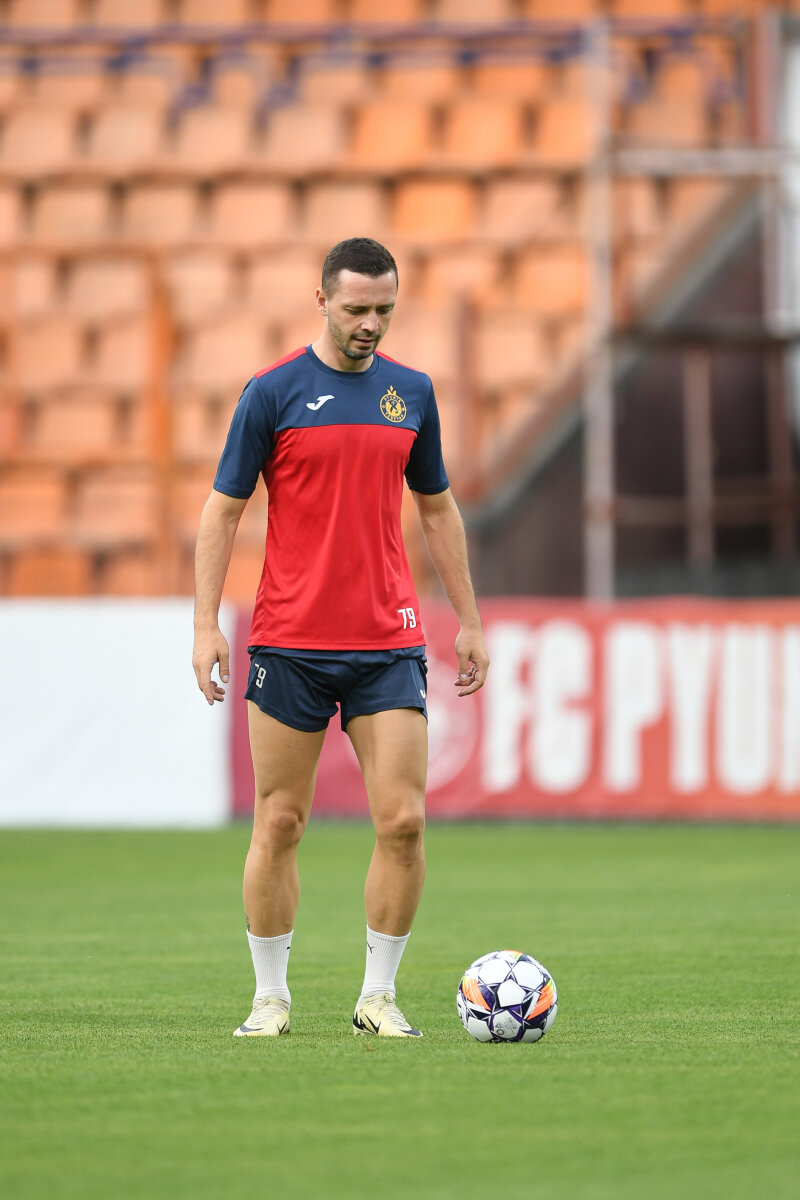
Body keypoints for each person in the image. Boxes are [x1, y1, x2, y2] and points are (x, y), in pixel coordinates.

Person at [192, 237, 489, 1039]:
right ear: (321, 299)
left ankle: (378, 997)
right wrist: (206, 625)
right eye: (357, 308)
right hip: (290, 641)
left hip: (387, 642)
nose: (371, 323)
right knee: (280, 821)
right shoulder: (272, 393)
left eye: (384, 309)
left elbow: (437, 509)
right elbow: (222, 511)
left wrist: (468, 620)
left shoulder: (411, 393)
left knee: (404, 822)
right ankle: (270, 998)